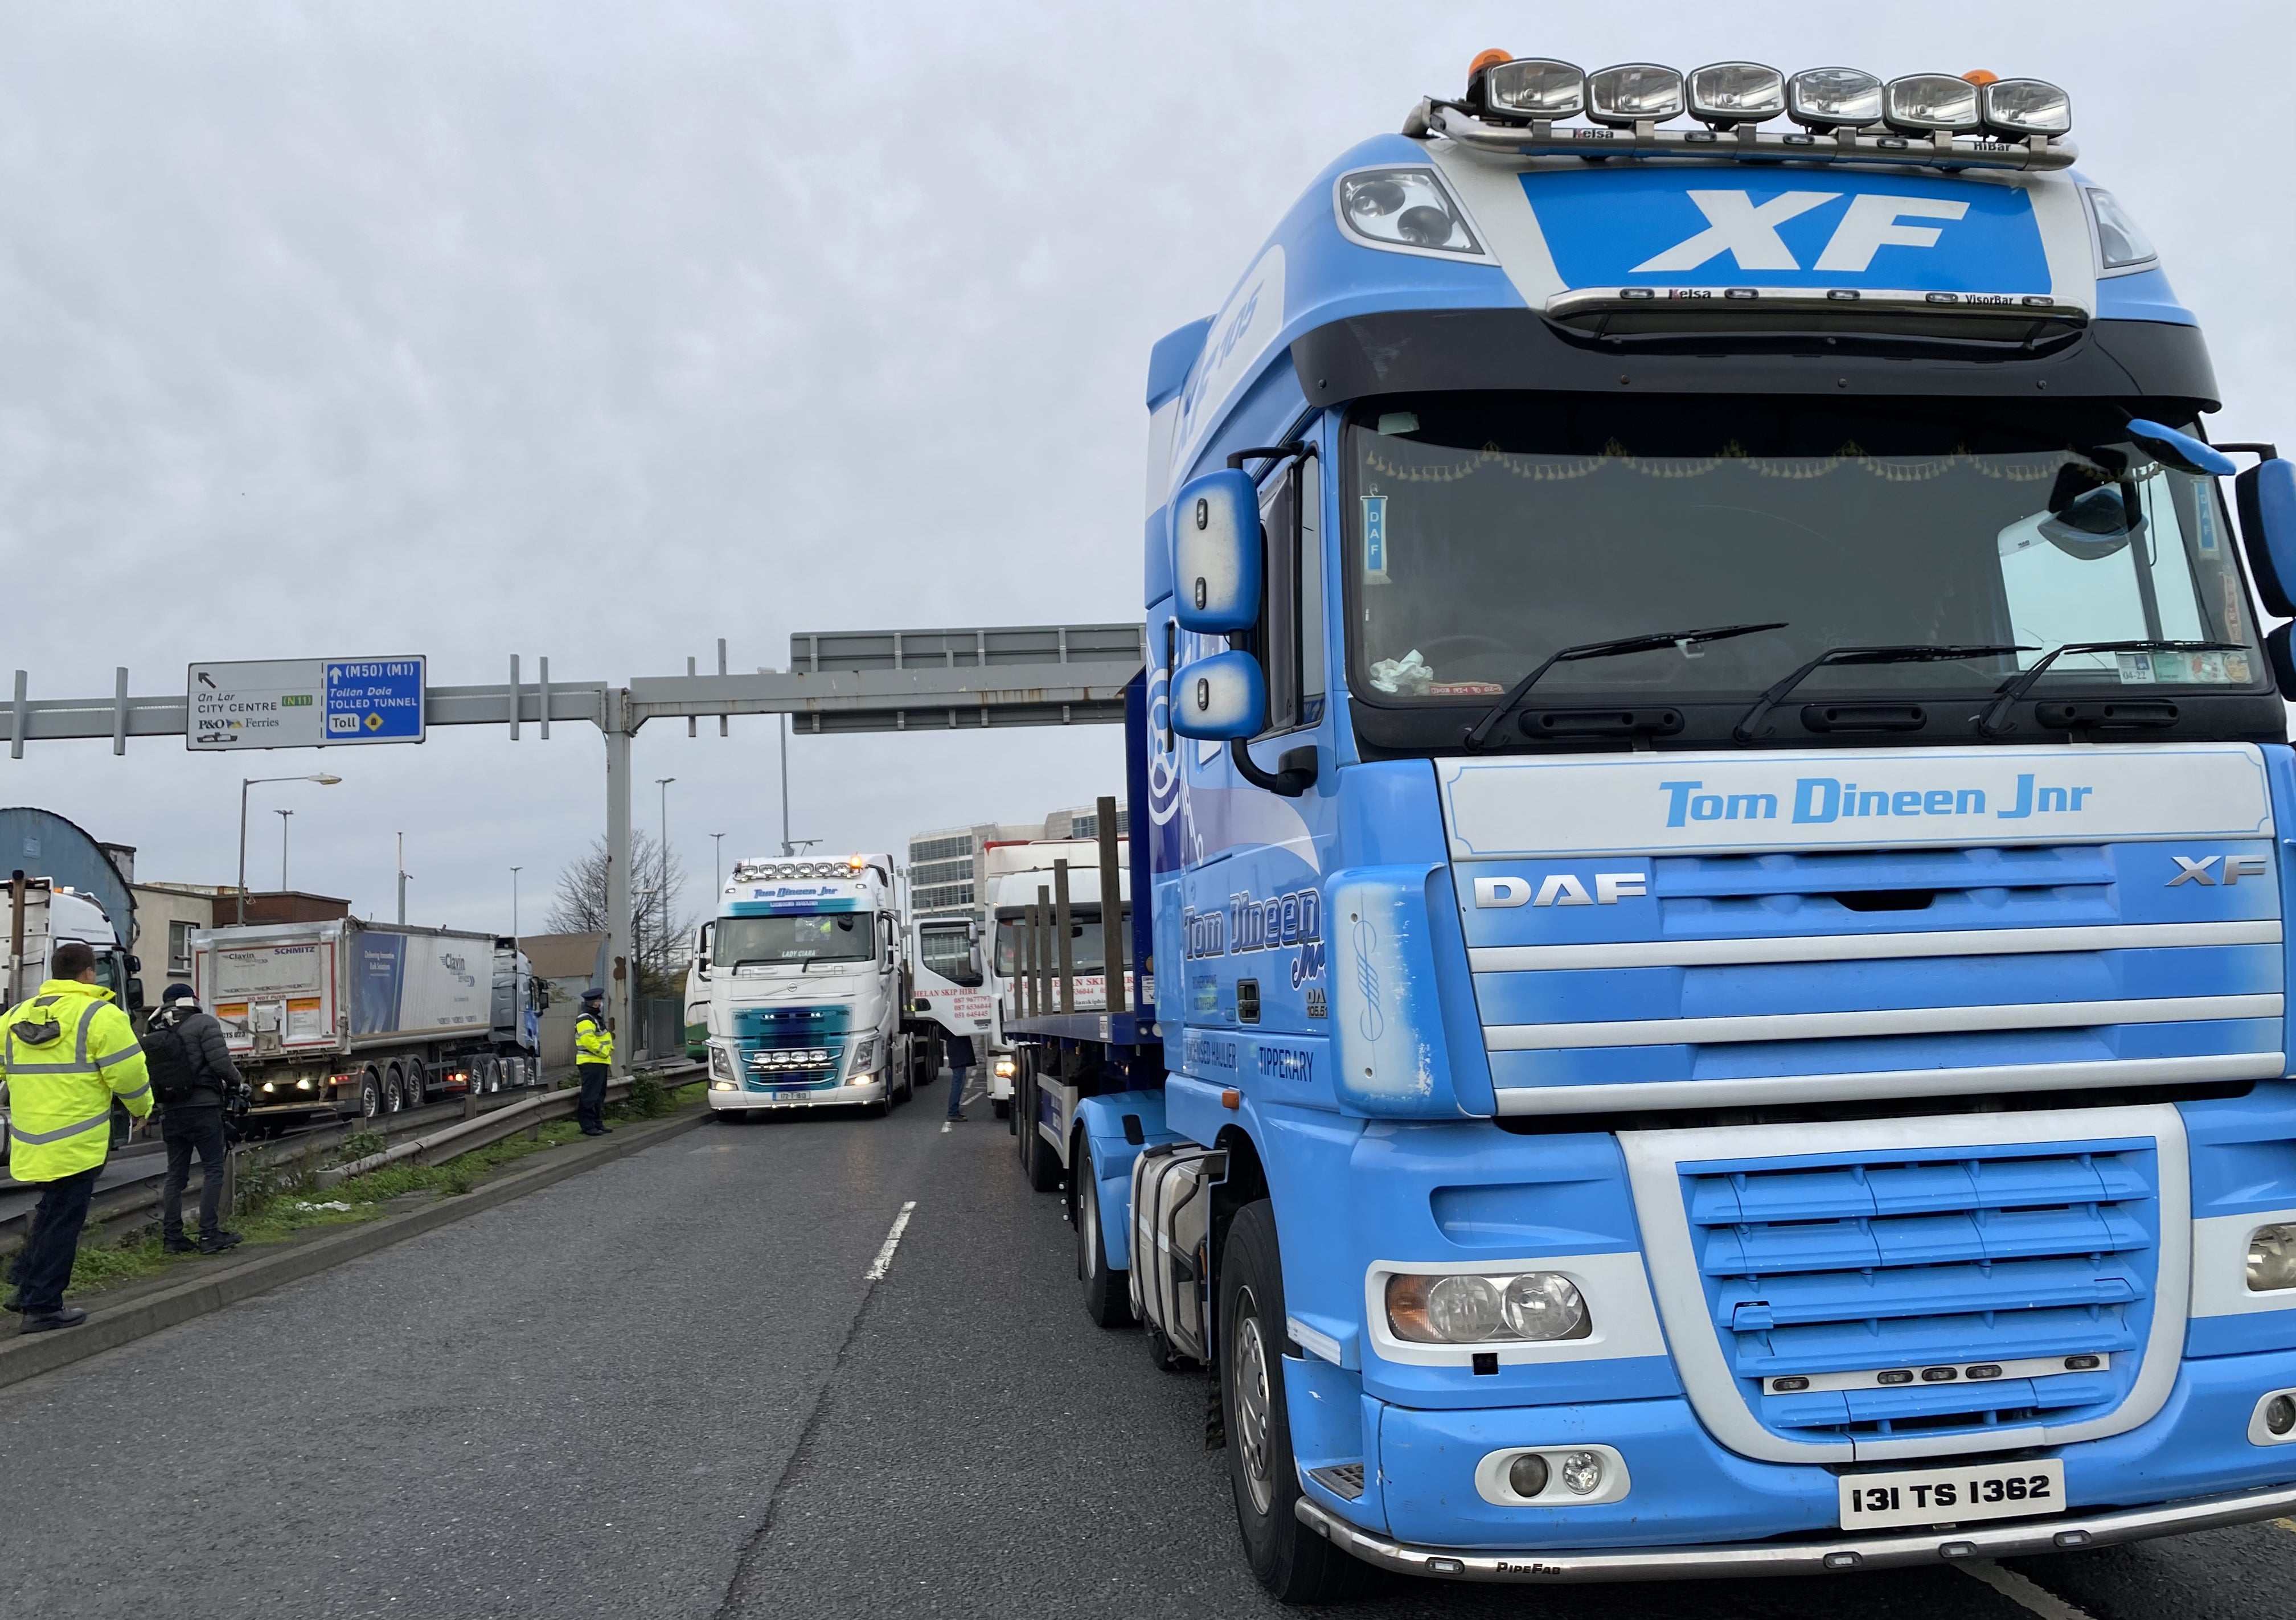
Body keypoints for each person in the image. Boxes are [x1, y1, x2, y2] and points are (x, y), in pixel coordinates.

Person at [1, 941, 153, 1332]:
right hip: (78, 1142)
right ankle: (43, 1305)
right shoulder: (101, 1015)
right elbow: (129, 1072)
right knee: (63, 1221)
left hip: (32, 1141)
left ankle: (25, 1286)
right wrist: (141, 1109)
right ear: (89, 973)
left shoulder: (15, 1016)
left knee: (52, 1212)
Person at [146, 983, 247, 1257]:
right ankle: (209, 1234)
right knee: (214, 1169)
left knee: (175, 1175)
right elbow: (221, 1063)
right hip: (203, 1108)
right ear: (193, 1000)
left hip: (172, 1112)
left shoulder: (154, 1027)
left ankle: (173, 1238)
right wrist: (239, 1083)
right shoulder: (204, 1023)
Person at [573, 987, 613, 1136]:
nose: (600, 1003)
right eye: (599, 1001)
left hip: (599, 1061)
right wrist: (604, 1052)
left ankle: (597, 1123)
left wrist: (608, 1051)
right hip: (590, 1061)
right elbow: (588, 1041)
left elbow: (602, 1037)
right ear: (594, 1003)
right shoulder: (585, 1019)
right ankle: (587, 1126)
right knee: (590, 1095)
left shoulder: (594, 1018)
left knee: (599, 1095)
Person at [943, 1031, 975, 1122]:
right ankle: (953, 1112)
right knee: (958, 1082)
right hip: (958, 1050)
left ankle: (954, 1111)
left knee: (959, 1080)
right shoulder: (955, 1029)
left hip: (956, 1049)